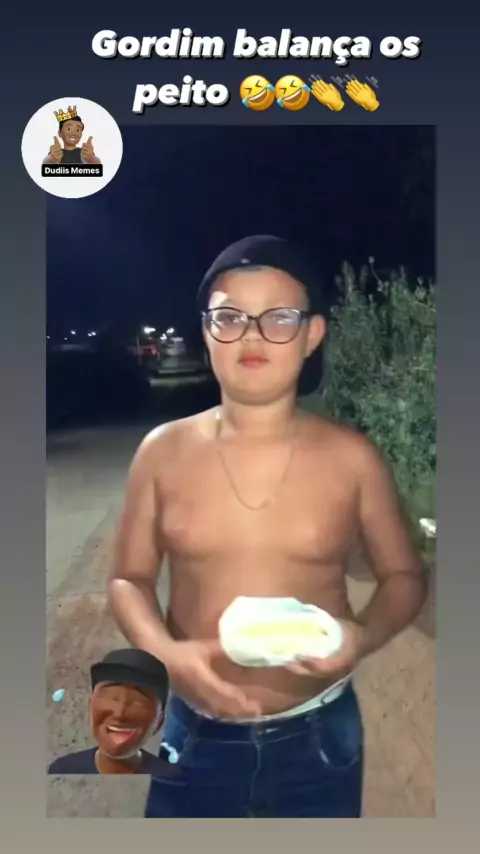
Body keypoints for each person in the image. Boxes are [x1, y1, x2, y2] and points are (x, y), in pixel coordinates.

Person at [108, 235, 428, 817]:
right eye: (230, 317)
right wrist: (167, 653)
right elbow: (128, 579)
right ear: (207, 332)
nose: (251, 335)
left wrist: (363, 637)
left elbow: (405, 577)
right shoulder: (162, 452)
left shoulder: (352, 458)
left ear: (312, 334)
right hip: (193, 736)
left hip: (319, 739)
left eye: (278, 317)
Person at [48, 648, 179, 776]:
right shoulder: (62, 771)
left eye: (138, 702)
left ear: (159, 722)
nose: (119, 713)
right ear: (90, 705)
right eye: (110, 697)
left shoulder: (172, 781)